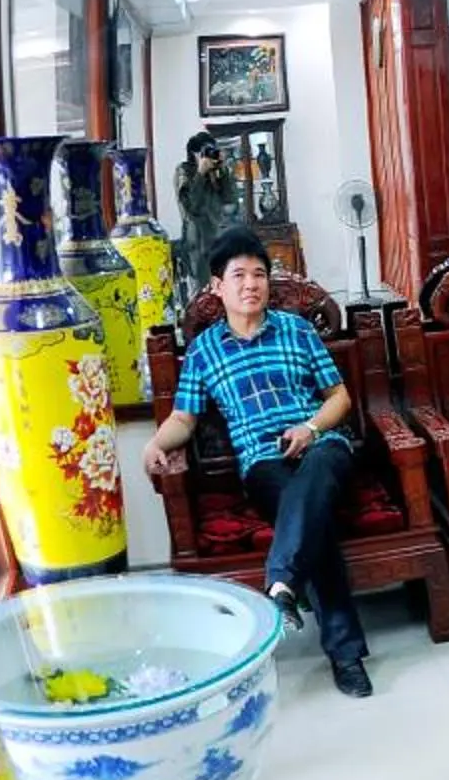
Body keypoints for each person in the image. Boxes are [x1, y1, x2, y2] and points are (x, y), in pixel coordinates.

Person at [149, 229, 371, 697]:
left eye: (259, 274)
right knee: (314, 517)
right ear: (217, 286)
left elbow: (339, 397)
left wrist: (310, 428)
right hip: (263, 462)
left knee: (316, 474)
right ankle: (344, 653)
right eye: (240, 275)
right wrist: (156, 443)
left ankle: (282, 586)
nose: (251, 284)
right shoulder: (205, 350)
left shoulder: (297, 330)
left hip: (323, 443)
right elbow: (184, 418)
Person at [172, 133, 240, 310]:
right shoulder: (184, 171)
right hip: (199, 245)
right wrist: (200, 173)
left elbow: (231, 200)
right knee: (203, 298)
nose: (209, 155)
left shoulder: (216, 172)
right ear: (194, 153)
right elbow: (192, 206)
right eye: (205, 151)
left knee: (226, 292)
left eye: (212, 150)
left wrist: (224, 172)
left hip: (220, 239)